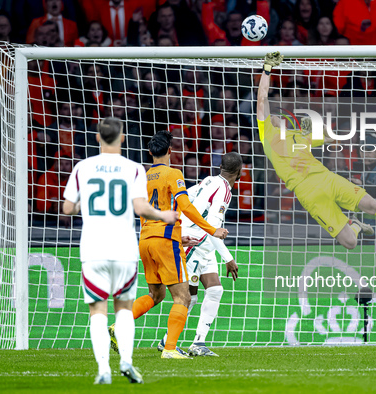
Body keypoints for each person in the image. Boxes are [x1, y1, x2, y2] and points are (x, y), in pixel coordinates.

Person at [257, 52, 376, 250]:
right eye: (274, 115)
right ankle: (356, 225)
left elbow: (331, 136)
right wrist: (267, 70)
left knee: (371, 205)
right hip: (307, 193)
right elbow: (262, 98)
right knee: (350, 242)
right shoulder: (267, 135)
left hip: (327, 178)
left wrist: (317, 126)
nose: (276, 117)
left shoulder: (301, 135)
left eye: (279, 116)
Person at [62, 117, 179, 384]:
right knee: (124, 308)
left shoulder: (83, 167)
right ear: (123, 138)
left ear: (97, 138)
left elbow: (67, 208)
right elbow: (140, 208)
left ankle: (104, 369)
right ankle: (126, 360)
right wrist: (164, 214)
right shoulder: (134, 168)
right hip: (124, 248)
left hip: (93, 249)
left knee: (97, 311)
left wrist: (86, 205)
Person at [112, 130, 228, 360]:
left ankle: (117, 327)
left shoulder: (141, 177)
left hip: (145, 241)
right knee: (183, 297)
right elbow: (185, 206)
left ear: (149, 152)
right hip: (165, 242)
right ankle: (170, 348)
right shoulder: (173, 173)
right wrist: (212, 229)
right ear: (170, 151)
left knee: (156, 295)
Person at [157, 152, 242, 357]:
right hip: (195, 243)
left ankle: (198, 343)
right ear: (239, 173)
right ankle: (168, 342)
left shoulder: (209, 180)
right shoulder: (224, 191)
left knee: (215, 290)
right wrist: (228, 258)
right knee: (189, 297)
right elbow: (212, 227)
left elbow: (186, 195)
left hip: (205, 245)